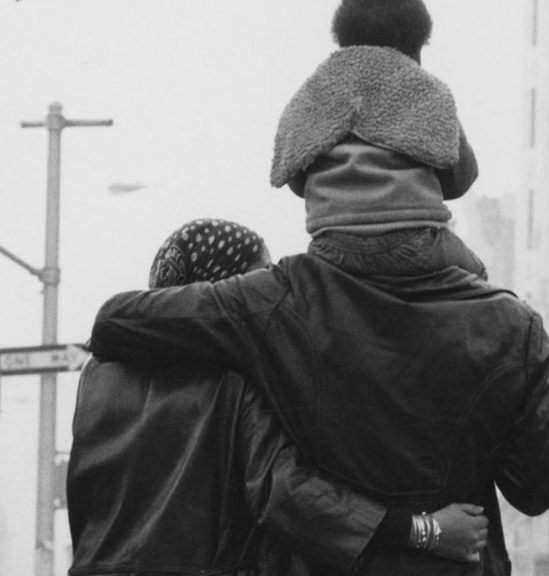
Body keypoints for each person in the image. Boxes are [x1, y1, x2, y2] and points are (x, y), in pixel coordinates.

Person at [69, 219, 489, 576]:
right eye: (254, 281)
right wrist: (426, 531)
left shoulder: (98, 378)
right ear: (217, 290)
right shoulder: (233, 377)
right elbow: (288, 496)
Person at [272, 0, 488, 281]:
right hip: (416, 244)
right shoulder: (426, 91)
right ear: (416, 46)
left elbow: (297, 181)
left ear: (342, 42)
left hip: (333, 246)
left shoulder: (314, 92)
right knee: (476, 276)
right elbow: (460, 180)